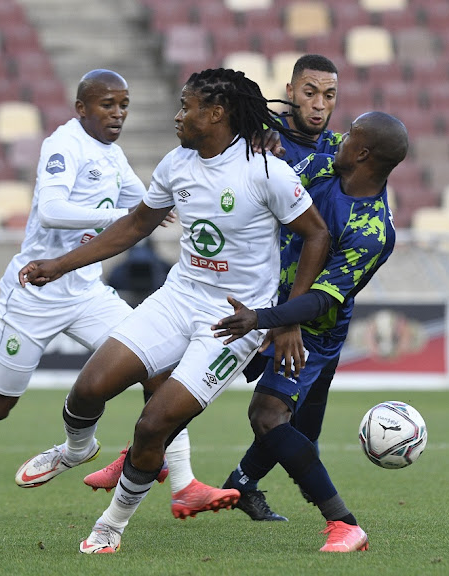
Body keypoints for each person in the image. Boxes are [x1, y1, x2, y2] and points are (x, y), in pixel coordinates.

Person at [15, 67, 330, 554]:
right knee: (89, 388)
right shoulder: (176, 163)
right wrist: (58, 265)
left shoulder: (266, 170)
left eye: (187, 107)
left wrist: (287, 317)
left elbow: (317, 235)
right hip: (177, 296)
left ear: (217, 113)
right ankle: (77, 448)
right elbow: (135, 225)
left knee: (152, 425)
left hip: (232, 322)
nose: (178, 115)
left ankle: (111, 525)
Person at [80, 54, 343, 521]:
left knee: (293, 420)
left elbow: (328, 219)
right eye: (309, 92)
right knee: (257, 414)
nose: (318, 104)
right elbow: (140, 220)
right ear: (290, 89)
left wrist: (291, 316)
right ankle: (335, 519)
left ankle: (209, 479)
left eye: (329, 95)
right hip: (221, 301)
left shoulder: (338, 151)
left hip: (289, 307)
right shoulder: (266, 139)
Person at [0, 69, 177, 489]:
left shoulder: (111, 154)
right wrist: (124, 217)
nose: (118, 114)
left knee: (156, 368)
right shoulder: (64, 144)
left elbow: (143, 203)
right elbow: (52, 209)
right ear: (81, 108)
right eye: (107, 105)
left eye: (124, 106)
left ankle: (135, 456)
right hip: (35, 292)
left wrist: (171, 203)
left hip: (86, 293)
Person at [213, 111, 409, 552]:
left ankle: (344, 524)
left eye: (350, 136)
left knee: (275, 419)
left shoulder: (372, 231)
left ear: (361, 153)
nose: (337, 137)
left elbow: (323, 299)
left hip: (311, 333)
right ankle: (238, 484)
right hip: (262, 299)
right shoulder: (327, 161)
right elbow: (293, 140)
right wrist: (264, 134)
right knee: (284, 423)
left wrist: (268, 320)